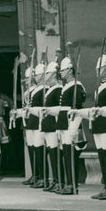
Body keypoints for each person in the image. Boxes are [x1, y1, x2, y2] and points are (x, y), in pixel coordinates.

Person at [87, 39, 106, 200]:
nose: (97, 71)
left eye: (100, 68)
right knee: (102, 156)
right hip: (98, 126)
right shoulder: (99, 87)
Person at [58, 48, 86, 195]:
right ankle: (69, 183)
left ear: (69, 71)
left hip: (72, 124)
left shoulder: (76, 86)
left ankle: (73, 184)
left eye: (63, 71)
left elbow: (78, 108)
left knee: (71, 156)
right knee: (66, 156)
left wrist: (74, 129)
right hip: (64, 124)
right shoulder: (67, 86)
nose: (61, 73)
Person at [39, 56, 63, 191]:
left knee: (55, 154)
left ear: (54, 74)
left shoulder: (58, 89)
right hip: (47, 125)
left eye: (47, 73)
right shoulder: (49, 90)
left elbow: (59, 109)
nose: (45, 75)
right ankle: (55, 179)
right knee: (51, 153)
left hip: (54, 126)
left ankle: (59, 180)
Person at [25, 55, 46, 188]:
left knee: (39, 150)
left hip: (39, 122)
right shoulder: (30, 90)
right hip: (31, 122)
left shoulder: (42, 89)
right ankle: (35, 175)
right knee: (32, 149)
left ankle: (41, 176)